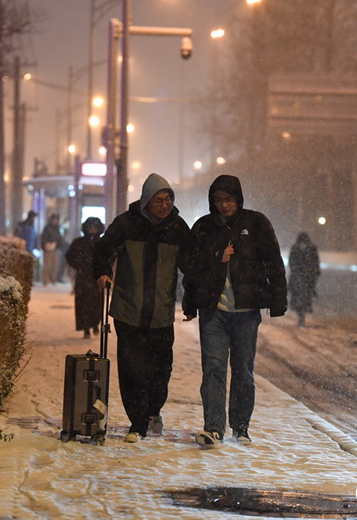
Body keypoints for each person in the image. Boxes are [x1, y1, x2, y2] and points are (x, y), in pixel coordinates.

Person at [182, 174, 287, 448]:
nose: (224, 205)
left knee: (243, 370)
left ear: (238, 198)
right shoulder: (204, 227)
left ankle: (241, 428)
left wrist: (278, 300)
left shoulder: (256, 223)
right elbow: (190, 267)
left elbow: (273, 262)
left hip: (246, 310)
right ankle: (214, 428)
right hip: (213, 311)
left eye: (228, 199)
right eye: (218, 200)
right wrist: (190, 303)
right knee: (214, 369)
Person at [93, 173, 194, 443]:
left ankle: (152, 410)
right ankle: (137, 423)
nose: (164, 205)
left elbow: (192, 265)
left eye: (168, 199)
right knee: (131, 369)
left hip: (161, 313)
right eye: (158, 200)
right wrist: (103, 272)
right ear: (146, 201)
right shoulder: (126, 225)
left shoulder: (177, 228)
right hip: (129, 310)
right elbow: (102, 251)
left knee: (161, 370)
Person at [65, 217, 105, 339]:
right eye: (90, 227)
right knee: (83, 303)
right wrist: (78, 266)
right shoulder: (79, 243)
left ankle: (95, 323)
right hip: (83, 277)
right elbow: (69, 256)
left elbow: (109, 257)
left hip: (97, 277)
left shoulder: (102, 243)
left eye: (95, 227)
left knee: (97, 303)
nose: (92, 229)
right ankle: (86, 327)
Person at [288, 232, 321, 327]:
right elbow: (292, 261)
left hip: (308, 274)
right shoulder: (297, 249)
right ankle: (298, 302)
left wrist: (314, 270)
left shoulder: (310, 249)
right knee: (293, 286)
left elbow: (315, 261)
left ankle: (306, 303)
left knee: (309, 288)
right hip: (299, 274)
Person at [41, 213, 64, 286]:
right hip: (47, 249)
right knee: (47, 265)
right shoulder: (47, 228)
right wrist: (46, 245)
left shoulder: (57, 228)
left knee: (54, 265)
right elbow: (43, 237)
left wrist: (57, 245)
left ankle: (53, 279)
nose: (54, 221)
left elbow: (59, 238)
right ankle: (45, 280)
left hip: (54, 249)